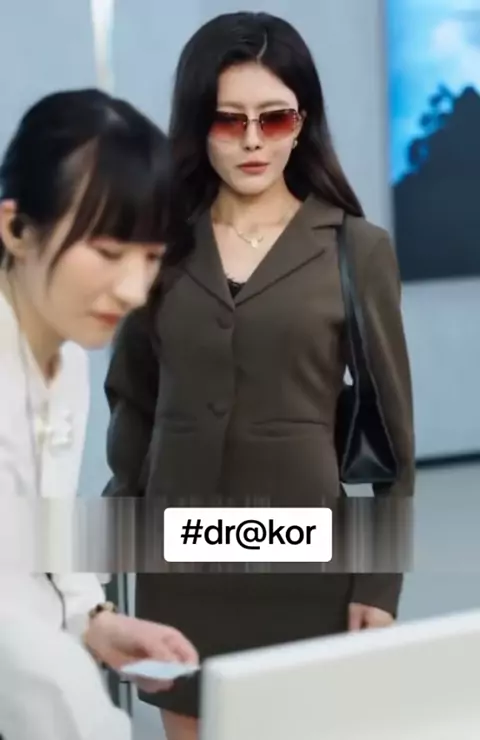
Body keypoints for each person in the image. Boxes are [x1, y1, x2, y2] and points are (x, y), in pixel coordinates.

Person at [103, 11, 415, 740]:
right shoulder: (157, 245)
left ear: (302, 124)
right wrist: (107, 572)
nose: (252, 141)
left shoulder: (356, 249)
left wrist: (380, 585)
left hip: (307, 564)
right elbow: (133, 411)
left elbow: (393, 443)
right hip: (180, 563)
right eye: (228, 119)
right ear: (197, 123)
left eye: (274, 119)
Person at [0, 88, 198, 691]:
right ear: (16, 228)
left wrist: (95, 619)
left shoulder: (66, 360)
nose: (134, 290)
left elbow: (47, 521)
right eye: (109, 252)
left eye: (150, 258)